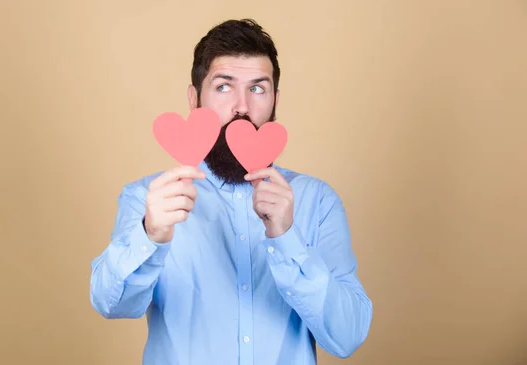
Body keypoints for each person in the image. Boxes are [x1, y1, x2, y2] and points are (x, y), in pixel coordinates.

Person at [89, 18, 373, 365]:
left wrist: (288, 238)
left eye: (257, 88)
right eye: (223, 87)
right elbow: (111, 305)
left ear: (275, 100)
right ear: (195, 99)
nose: (241, 107)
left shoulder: (317, 201)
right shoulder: (147, 199)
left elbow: (348, 337)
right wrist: (150, 235)